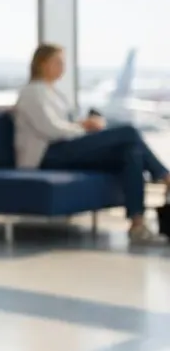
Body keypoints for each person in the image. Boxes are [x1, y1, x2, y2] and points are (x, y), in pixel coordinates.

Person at [13, 42, 170, 242]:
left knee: (131, 153)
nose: (62, 68)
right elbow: (51, 130)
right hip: (48, 154)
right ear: (42, 63)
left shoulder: (54, 93)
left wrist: (82, 125)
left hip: (64, 148)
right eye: (57, 62)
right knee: (128, 132)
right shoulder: (32, 92)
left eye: (63, 63)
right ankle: (165, 176)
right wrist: (84, 127)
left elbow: (62, 125)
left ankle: (137, 224)